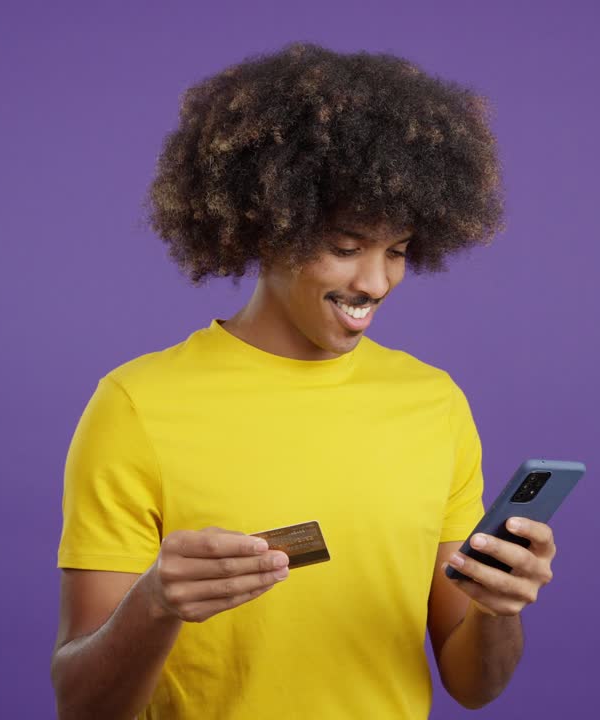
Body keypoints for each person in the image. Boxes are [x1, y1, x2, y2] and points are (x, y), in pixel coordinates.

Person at [50, 42, 561, 720]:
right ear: (269, 227)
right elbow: (82, 706)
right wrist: (156, 602)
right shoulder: (136, 406)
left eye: (397, 251)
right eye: (345, 247)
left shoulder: (433, 404)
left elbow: (473, 684)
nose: (375, 282)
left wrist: (499, 608)